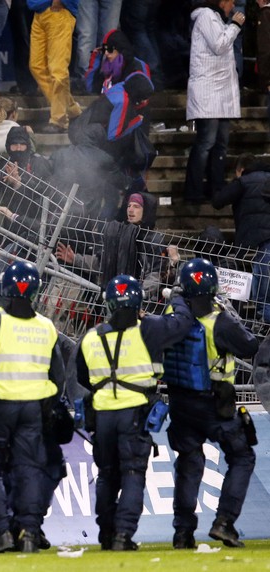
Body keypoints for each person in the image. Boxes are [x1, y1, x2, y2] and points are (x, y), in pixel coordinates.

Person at [74, 274, 192, 550]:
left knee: (106, 475)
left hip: (102, 417)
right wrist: (177, 297)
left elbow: (82, 376)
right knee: (132, 474)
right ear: (138, 301)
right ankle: (123, 535)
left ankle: (106, 534)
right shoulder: (148, 329)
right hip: (134, 416)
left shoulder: (91, 338)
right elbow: (182, 324)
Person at [164, 258, 258, 549]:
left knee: (189, 463)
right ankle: (224, 522)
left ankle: (183, 532)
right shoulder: (220, 321)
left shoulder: (173, 313)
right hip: (215, 403)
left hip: (180, 400)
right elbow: (250, 346)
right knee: (242, 457)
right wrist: (230, 312)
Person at [0, 261, 65, 553]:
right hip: (34, 408)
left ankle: (0, 533)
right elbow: (58, 375)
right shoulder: (46, 326)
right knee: (29, 470)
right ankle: (29, 533)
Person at [183, 0, 244, 204]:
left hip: (222, 95)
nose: (233, 6)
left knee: (220, 145)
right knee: (206, 143)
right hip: (208, 94)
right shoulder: (206, 16)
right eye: (231, 2)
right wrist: (235, 25)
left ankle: (216, 188)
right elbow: (219, 45)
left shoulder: (216, 18)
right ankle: (193, 190)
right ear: (221, 1)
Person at [212, 155, 270, 324]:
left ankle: (264, 320)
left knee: (262, 285)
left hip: (255, 237)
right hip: (263, 239)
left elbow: (218, 201)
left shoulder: (244, 181)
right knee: (261, 275)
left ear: (240, 170)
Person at [28, 0, 82, 134]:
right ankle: (72, 109)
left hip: (59, 11)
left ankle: (59, 120)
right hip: (38, 12)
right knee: (36, 66)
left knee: (57, 71)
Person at [84, 29, 150, 95]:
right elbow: (91, 89)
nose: (106, 53)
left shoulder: (136, 66)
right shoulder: (107, 68)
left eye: (109, 49)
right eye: (104, 49)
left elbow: (143, 95)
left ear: (120, 48)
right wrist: (96, 59)